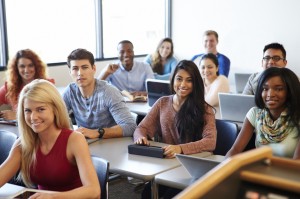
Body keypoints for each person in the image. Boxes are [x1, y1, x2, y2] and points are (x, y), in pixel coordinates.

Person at [0, 79, 100, 198]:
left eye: (40, 109)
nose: (33, 117)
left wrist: (54, 197)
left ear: (55, 109)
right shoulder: (24, 143)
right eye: (28, 110)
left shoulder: (74, 140)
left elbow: (94, 191)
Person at [134, 60, 217, 199]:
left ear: (195, 83)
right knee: (147, 193)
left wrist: (180, 148)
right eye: (179, 79)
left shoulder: (205, 109)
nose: (183, 85)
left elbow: (210, 142)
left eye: (189, 80)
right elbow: (141, 127)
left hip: (193, 167)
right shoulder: (163, 103)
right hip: (169, 164)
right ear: (173, 80)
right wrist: (140, 137)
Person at [226, 67, 300, 159]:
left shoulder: (297, 117)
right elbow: (235, 150)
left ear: (290, 92)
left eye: (279, 89)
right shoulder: (255, 114)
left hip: (288, 172)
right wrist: (224, 168)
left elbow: (297, 163)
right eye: (265, 89)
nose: (270, 94)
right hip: (259, 170)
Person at [63, 48, 136, 139]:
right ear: (70, 72)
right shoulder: (70, 91)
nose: (80, 73)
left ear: (93, 69)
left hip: (111, 144)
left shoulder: (109, 92)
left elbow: (130, 127)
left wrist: (97, 132)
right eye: (75, 68)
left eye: (85, 67)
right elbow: (57, 117)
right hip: (83, 143)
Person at [0, 49, 55, 121]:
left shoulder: (47, 85)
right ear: (16, 68)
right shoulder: (10, 87)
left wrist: (18, 115)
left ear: (36, 66)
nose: (26, 70)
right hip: (18, 129)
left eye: (30, 65)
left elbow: (54, 112)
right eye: (22, 66)